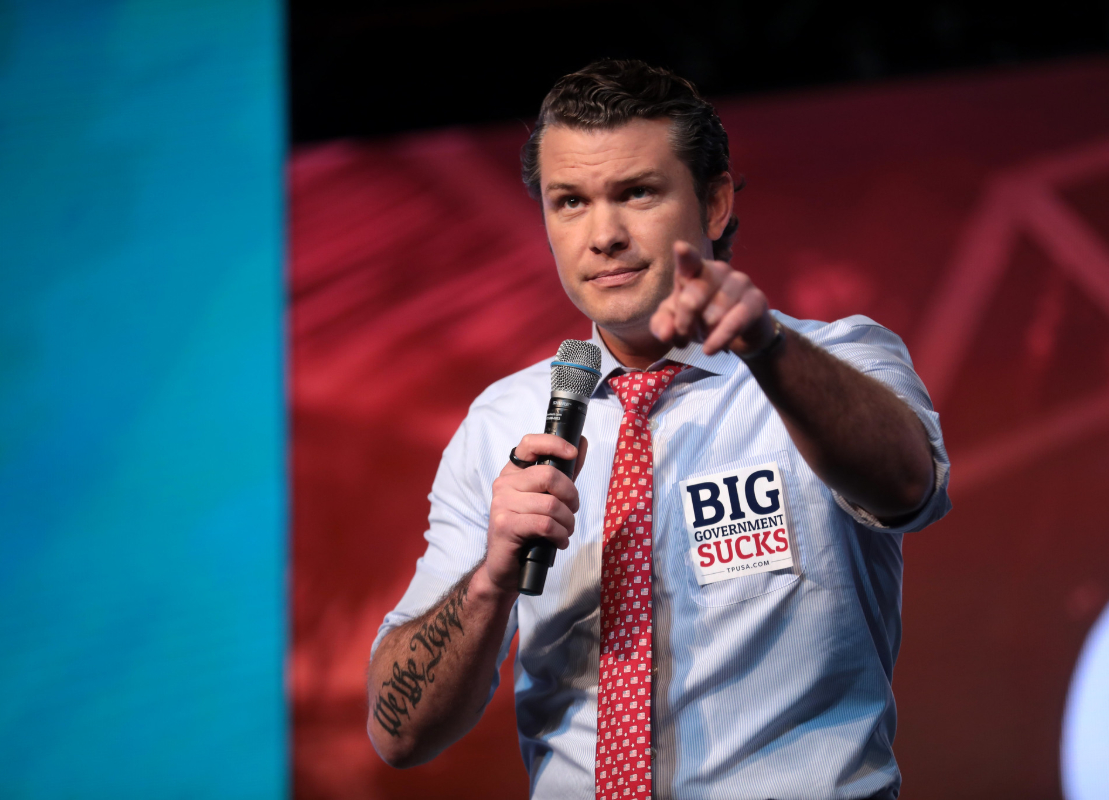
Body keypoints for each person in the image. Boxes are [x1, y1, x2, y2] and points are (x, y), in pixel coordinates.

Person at [366, 59, 950, 800]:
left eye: (636, 193)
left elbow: (908, 485)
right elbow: (399, 732)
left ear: (713, 203)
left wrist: (766, 347)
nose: (602, 235)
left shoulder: (833, 361)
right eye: (569, 201)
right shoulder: (500, 425)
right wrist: (490, 583)